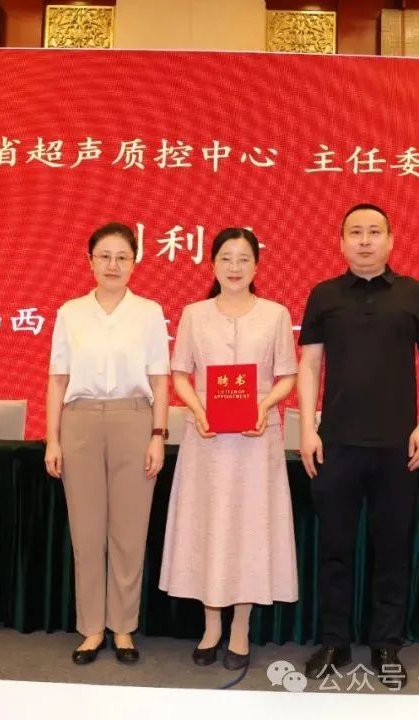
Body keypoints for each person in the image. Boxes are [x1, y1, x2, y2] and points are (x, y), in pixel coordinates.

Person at [297, 203, 419, 689]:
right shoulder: (323, 295)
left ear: (391, 240)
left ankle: (386, 644)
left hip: (398, 446)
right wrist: (307, 428)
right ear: (341, 242)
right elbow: (309, 365)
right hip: (337, 443)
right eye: (355, 232)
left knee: (392, 548)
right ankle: (334, 641)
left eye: (374, 232)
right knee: (334, 548)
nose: (365, 240)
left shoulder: (415, 294)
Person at [159, 228, 299, 671]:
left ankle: (240, 628)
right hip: (207, 439)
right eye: (226, 258)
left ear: (257, 266)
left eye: (243, 259)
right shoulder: (194, 314)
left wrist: (264, 405)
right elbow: (180, 373)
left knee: (249, 530)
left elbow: (288, 376)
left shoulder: (275, 315)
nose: (234, 267)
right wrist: (197, 409)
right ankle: (211, 627)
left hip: (257, 439)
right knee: (210, 527)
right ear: (213, 264)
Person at [45, 222, 170, 666]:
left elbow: (160, 378)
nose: (113, 265)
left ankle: (122, 626)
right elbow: (58, 379)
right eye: (105, 256)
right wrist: (53, 438)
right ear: (90, 261)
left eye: (122, 257)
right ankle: (92, 628)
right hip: (79, 422)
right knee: (86, 532)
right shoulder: (70, 312)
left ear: (134, 263)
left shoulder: (149, 313)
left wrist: (158, 435)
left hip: (134, 420)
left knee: (129, 533)